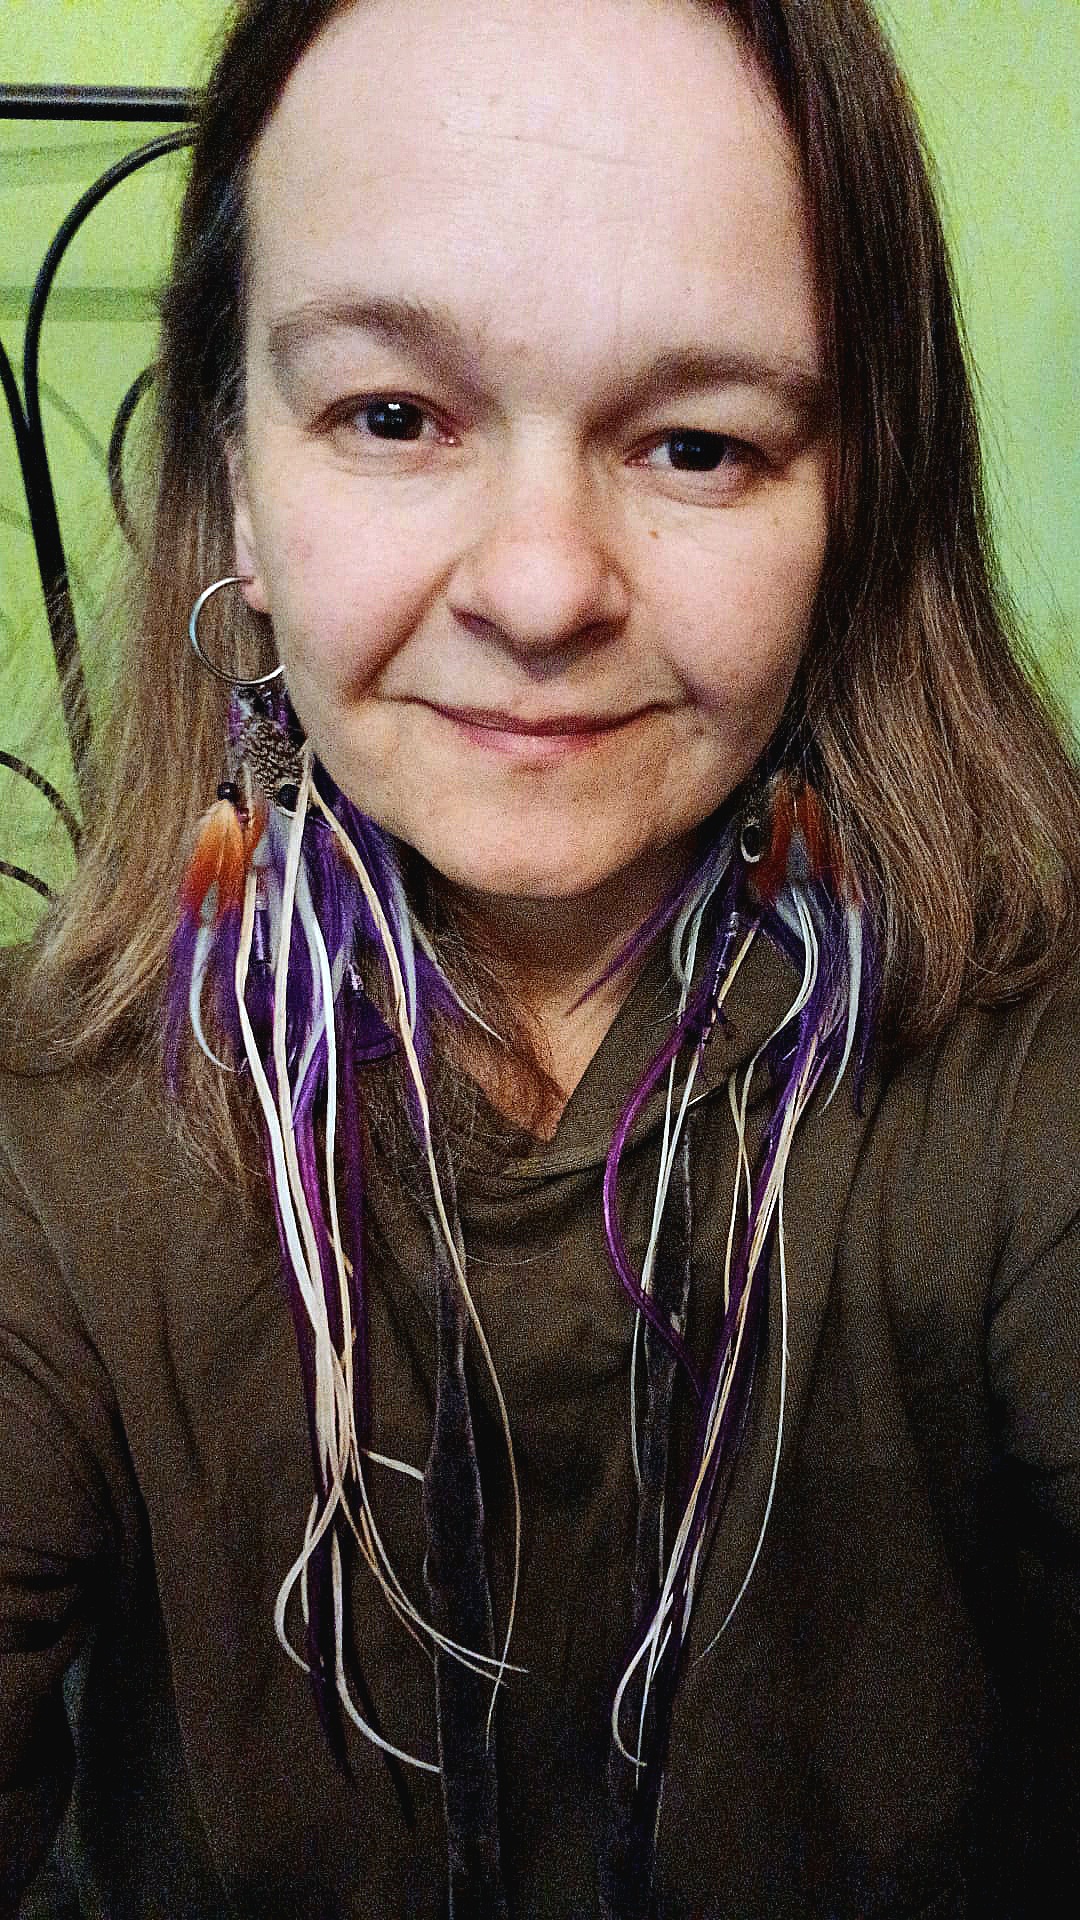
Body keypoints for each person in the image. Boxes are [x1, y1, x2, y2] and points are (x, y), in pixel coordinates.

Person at [2, 0, 1078, 1913]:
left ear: (856, 498)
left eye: (696, 444)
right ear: (236, 469)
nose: (540, 587)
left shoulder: (1025, 1067)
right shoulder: (46, 1143)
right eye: (392, 418)